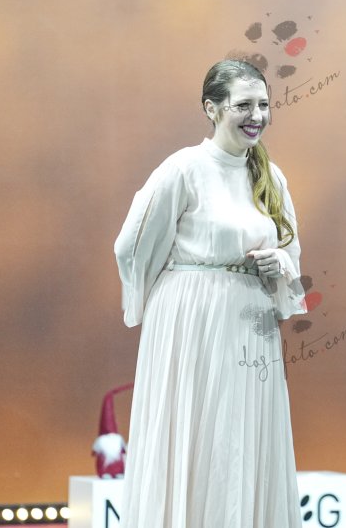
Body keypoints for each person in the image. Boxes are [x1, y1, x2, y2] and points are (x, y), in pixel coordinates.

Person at [114, 59, 306, 527]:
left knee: (243, 433)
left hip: (251, 322)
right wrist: (163, 299)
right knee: (197, 428)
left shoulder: (270, 176)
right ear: (212, 108)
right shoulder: (183, 168)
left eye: (263, 105)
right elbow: (131, 245)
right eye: (243, 105)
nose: (256, 116)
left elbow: (290, 251)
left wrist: (278, 265)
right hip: (192, 321)